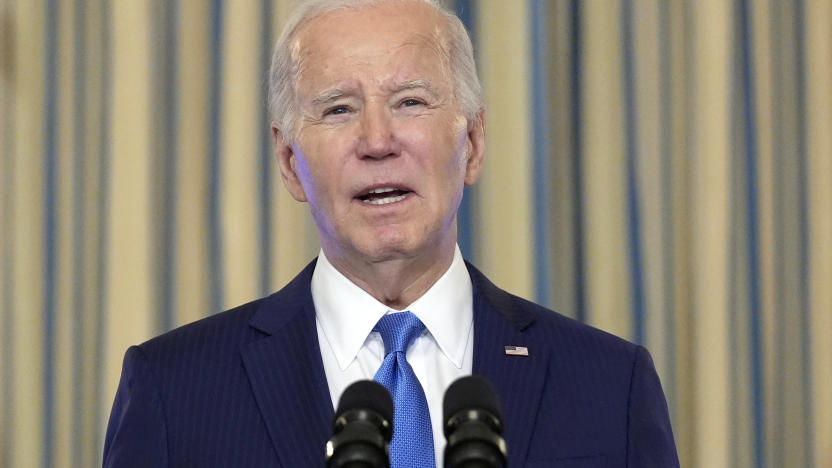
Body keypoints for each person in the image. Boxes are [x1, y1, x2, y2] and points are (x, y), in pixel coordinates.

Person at [103, 0, 680, 466]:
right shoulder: (173, 389)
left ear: (473, 144)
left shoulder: (610, 383)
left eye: (410, 101)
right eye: (338, 110)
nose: (377, 141)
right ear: (287, 161)